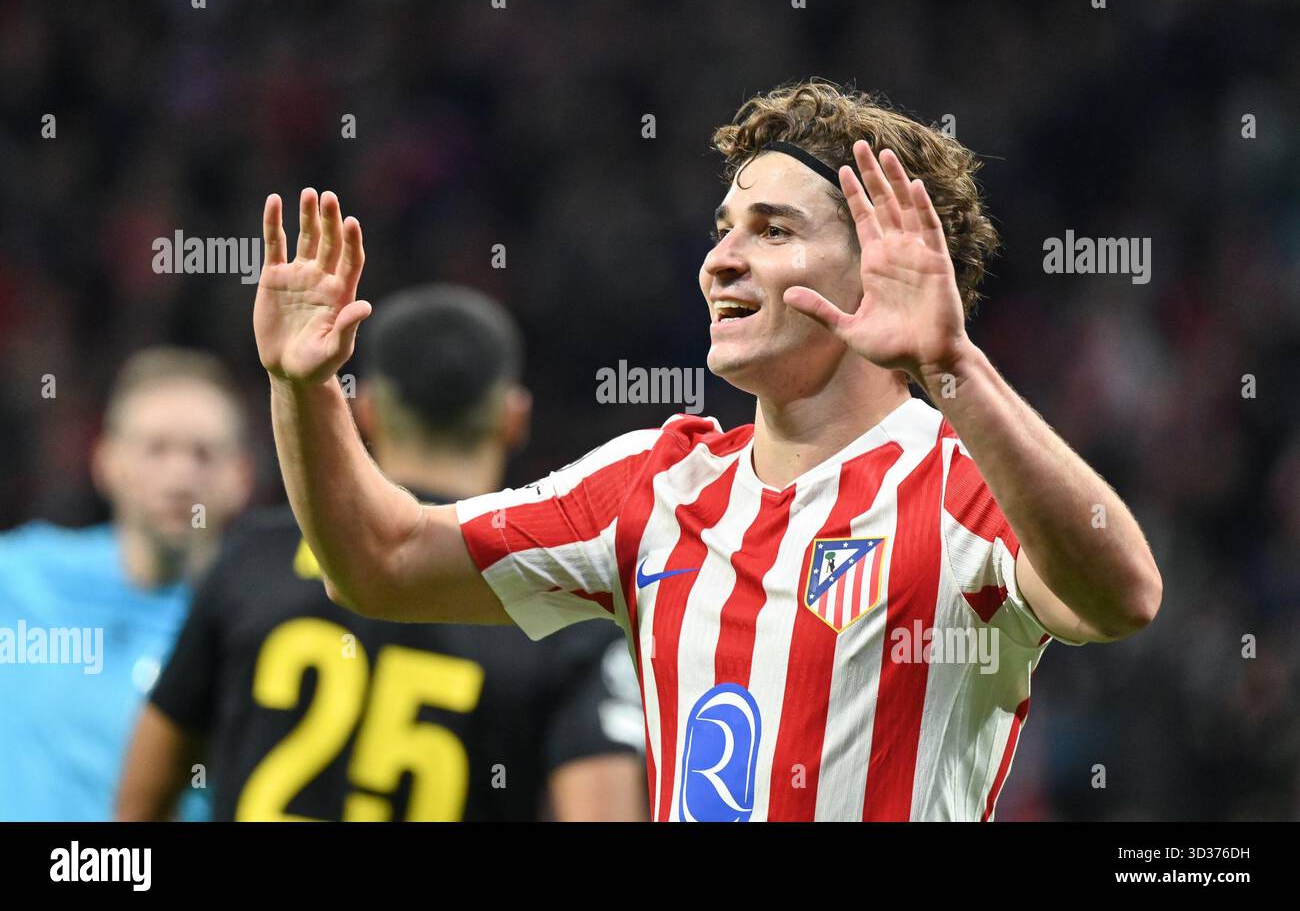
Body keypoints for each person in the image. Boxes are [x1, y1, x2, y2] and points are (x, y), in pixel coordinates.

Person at [249, 79, 1163, 821]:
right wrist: (303, 387)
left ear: (882, 266)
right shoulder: (660, 482)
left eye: (772, 231)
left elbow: (1124, 595)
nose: (720, 259)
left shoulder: (962, 483)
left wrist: (953, 366)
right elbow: (380, 560)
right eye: (725, 227)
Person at [118, 286, 646, 822]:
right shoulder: (560, 603)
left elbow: (141, 804)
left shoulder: (251, 559)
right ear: (513, 418)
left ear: (364, 410)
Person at [0, 348, 253, 820]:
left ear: (241, 476)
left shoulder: (252, 631)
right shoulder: (18, 578)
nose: (180, 477)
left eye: (203, 453)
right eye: (155, 448)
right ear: (107, 460)